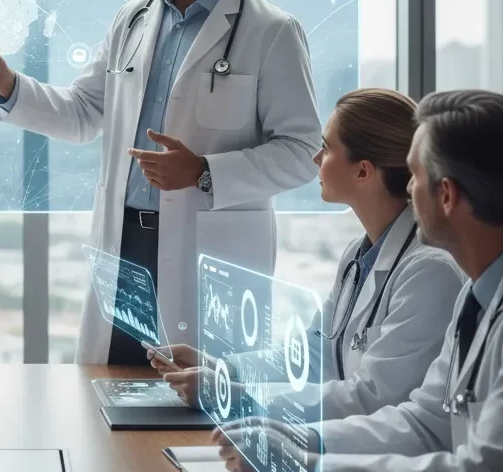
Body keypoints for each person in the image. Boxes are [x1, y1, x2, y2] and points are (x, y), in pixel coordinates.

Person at [0, 0, 321, 363]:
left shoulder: (271, 32)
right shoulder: (134, 19)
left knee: (200, 403)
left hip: (209, 249)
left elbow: (302, 150)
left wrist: (205, 172)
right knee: (112, 386)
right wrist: (8, 85)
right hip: (124, 244)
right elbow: (82, 113)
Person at [218, 90, 503, 472]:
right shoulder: (477, 292)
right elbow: (428, 423)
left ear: (446, 195)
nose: (407, 190)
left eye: (414, 177)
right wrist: (309, 439)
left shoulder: (448, 279)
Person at [152, 88, 463, 420]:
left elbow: (375, 397)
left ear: (362, 171)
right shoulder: (358, 256)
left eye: (327, 149)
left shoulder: (430, 273)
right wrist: (220, 367)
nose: (316, 158)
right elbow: (314, 356)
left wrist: (232, 395)